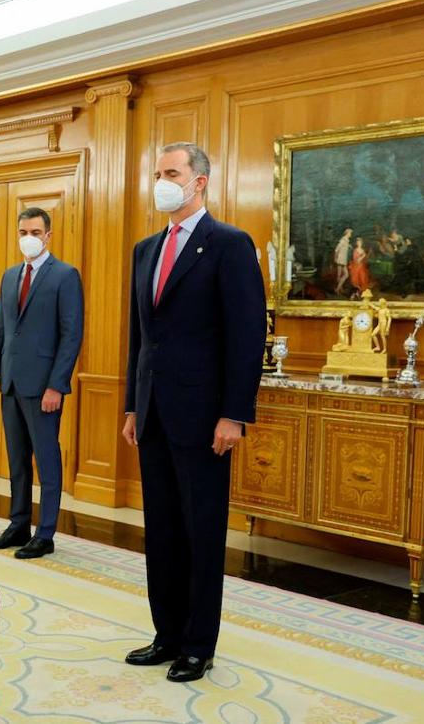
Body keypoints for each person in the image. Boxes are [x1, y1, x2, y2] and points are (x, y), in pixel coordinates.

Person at [122, 142, 264, 682]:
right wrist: (135, 405)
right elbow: (140, 337)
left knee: (202, 533)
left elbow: (247, 337)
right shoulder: (145, 249)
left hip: (205, 417)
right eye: (157, 173)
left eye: (172, 172)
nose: (161, 181)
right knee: (161, 531)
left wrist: (234, 414)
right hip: (154, 412)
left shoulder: (228, 245)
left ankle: (198, 645)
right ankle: (166, 634)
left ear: (199, 181)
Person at [0, 207, 84, 560]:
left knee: (47, 459)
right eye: (23, 231)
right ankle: (18, 524)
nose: (29, 238)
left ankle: (46, 533)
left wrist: (57, 385)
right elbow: (0, 331)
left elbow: (71, 336)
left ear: (48, 235)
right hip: (9, 382)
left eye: (36, 232)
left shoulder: (65, 276)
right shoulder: (9, 276)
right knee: (18, 460)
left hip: (43, 388)